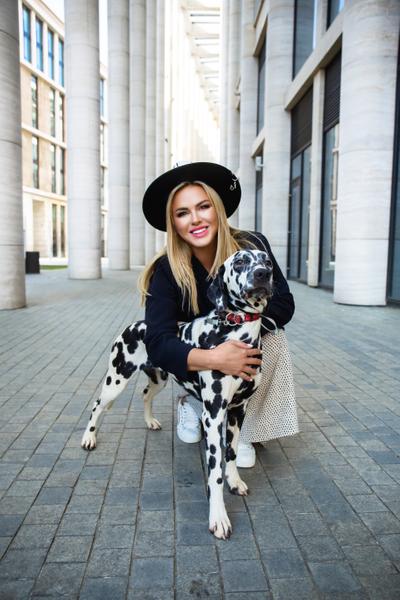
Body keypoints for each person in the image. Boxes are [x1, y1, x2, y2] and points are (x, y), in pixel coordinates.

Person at [139, 162, 298, 467]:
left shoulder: (252, 245)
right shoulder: (166, 269)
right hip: (197, 353)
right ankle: (193, 402)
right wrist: (214, 357)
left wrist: (239, 330)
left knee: (273, 337)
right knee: (190, 337)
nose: (195, 219)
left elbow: (283, 303)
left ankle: (244, 426)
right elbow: (157, 342)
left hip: (243, 338)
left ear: (218, 209)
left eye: (204, 206)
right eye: (182, 213)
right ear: (173, 223)